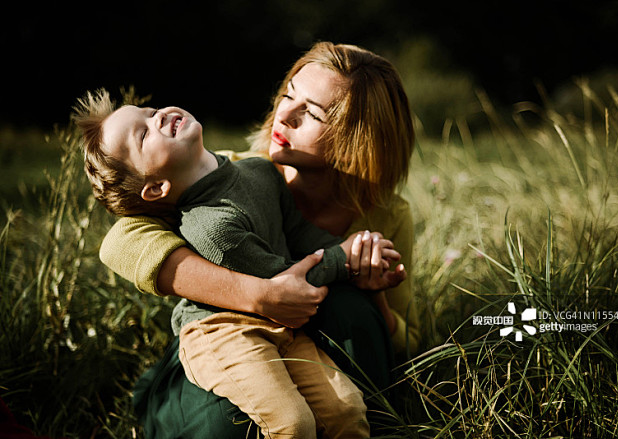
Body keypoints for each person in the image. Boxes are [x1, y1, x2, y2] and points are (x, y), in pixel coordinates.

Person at [98, 42, 420, 437]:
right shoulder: (230, 173)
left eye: (311, 113)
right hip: (227, 340)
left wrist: (374, 292)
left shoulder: (386, 216)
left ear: (358, 139)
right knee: (234, 424)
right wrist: (254, 295)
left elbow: (410, 341)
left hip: (294, 343)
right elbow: (119, 242)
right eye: (288, 95)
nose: (283, 115)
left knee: (350, 313)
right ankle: (163, 402)